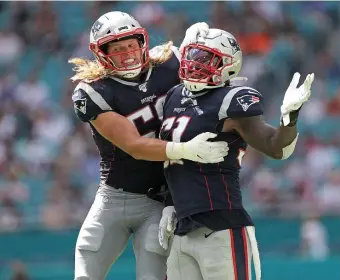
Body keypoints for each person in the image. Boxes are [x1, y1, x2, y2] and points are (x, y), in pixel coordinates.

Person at [69, 12, 228, 280]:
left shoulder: (172, 64)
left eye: (131, 44)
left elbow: (208, 87)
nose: (127, 53)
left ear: (142, 41)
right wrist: (185, 149)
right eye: (117, 49)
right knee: (86, 274)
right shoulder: (94, 92)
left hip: (160, 199)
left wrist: (205, 56)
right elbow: (134, 145)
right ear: (102, 53)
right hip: (115, 198)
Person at [159, 28, 314, 280]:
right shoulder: (174, 97)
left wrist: (289, 118)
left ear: (228, 65)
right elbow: (171, 160)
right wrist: (169, 203)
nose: (196, 63)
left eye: (206, 58)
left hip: (220, 225)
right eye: (194, 55)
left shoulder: (232, 98)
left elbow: (277, 148)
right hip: (181, 227)